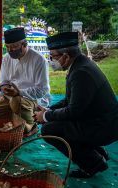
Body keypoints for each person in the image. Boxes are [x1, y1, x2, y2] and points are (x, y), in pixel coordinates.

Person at [34, 32, 118, 178]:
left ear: (65, 56)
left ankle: (94, 163)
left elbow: (74, 111)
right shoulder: (80, 64)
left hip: (103, 126)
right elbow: (70, 100)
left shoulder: (81, 73)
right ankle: (97, 152)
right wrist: (49, 110)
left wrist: (46, 116)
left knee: (49, 130)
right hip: (98, 120)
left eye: (53, 56)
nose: (51, 60)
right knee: (54, 122)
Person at [0, 27, 50, 137]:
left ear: (24, 44)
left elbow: (42, 90)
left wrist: (18, 92)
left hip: (31, 99)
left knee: (16, 103)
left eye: (14, 47)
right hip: (10, 97)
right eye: (8, 47)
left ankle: (31, 125)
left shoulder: (39, 59)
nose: (10, 50)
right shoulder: (6, 58)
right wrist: (0, 88)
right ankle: (16, 116)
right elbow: (4, 81)